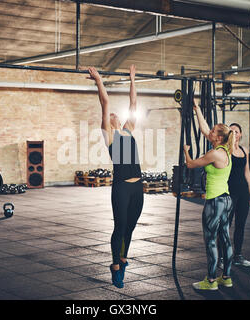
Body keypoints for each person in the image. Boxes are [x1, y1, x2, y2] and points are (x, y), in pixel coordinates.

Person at [87, 65, 143, 288]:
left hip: (138, 186)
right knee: (120, 226)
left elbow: (133, 104)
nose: (112, 115)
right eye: (109, 116)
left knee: (130, 226)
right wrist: (99, 80)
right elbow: (105, 103)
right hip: (121, 187)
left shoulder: (128, 129)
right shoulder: (109, 135)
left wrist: (132, 79)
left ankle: (123, 257)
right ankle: (115, 266)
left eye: (114, 115)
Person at [184, 104, 234, 291]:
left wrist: (186, 149)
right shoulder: (225, 151)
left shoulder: (213, 153)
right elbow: (204, 129)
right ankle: (226, 277)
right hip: (226, 200)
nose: (209, 132)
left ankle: (211, 280)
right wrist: (197, 108)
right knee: (225, 238)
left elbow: (190, 165)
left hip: (214, 202)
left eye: (213, 131)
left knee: (211, 240)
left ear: (219, 137)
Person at [217, 123, 250, 268]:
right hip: (229, 192)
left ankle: (238, 256)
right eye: (231, 131)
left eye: (237, 131)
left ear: (240, 134)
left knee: (241, 225)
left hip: (243, 192)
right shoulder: (225, 150)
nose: (234, 133)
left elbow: (247, 172)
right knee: (224, 225)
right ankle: (221, 258)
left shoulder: (244, 150)